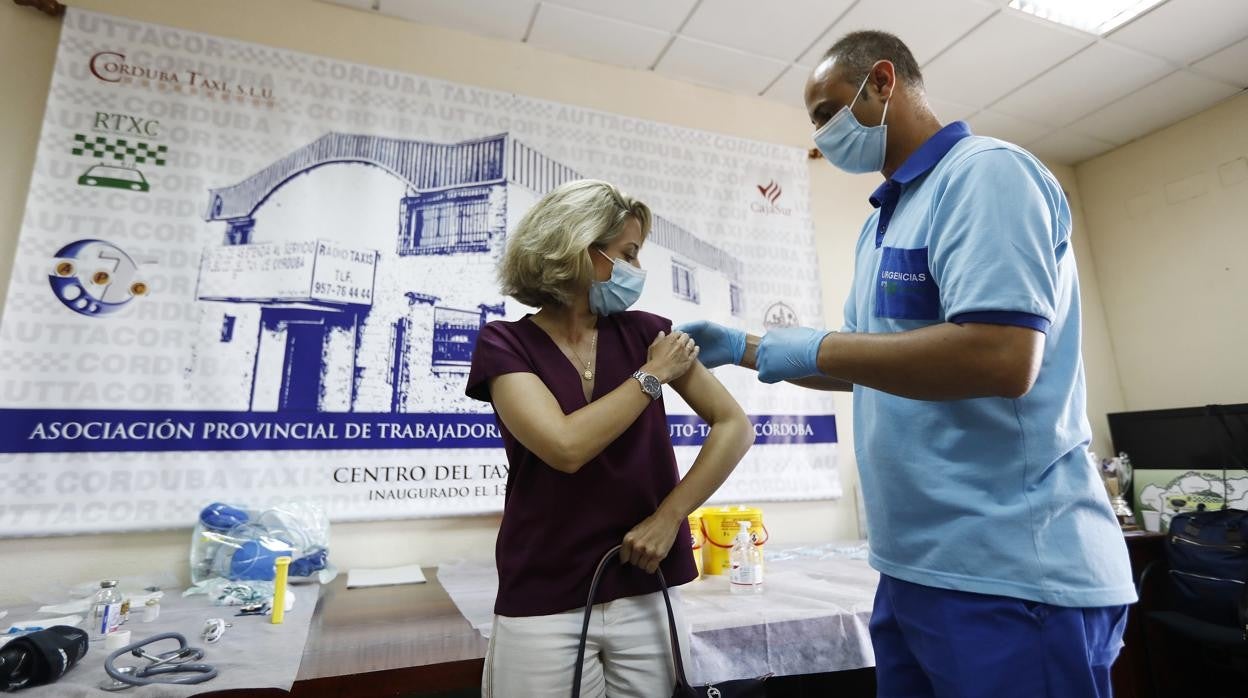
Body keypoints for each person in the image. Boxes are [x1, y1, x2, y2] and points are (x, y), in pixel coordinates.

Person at [680, 31, 1135, 698]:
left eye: (827, 111)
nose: (823, 134)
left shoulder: (986, 174)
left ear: (884, 82)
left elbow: (1002, 355)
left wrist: (816, 344)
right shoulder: (881, 222)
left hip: (1011, 574)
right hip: (913, 571)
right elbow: (875, 362)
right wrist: (748, 350)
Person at [466, 179, 754, 697]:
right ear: (579, 249)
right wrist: (652, 377)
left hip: (646, 586)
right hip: (545, 594)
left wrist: (670, 519)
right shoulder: (505, 344)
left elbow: (734, 426)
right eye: (627, 254)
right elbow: (565, 447)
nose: (635, 271)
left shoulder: (649, 334)